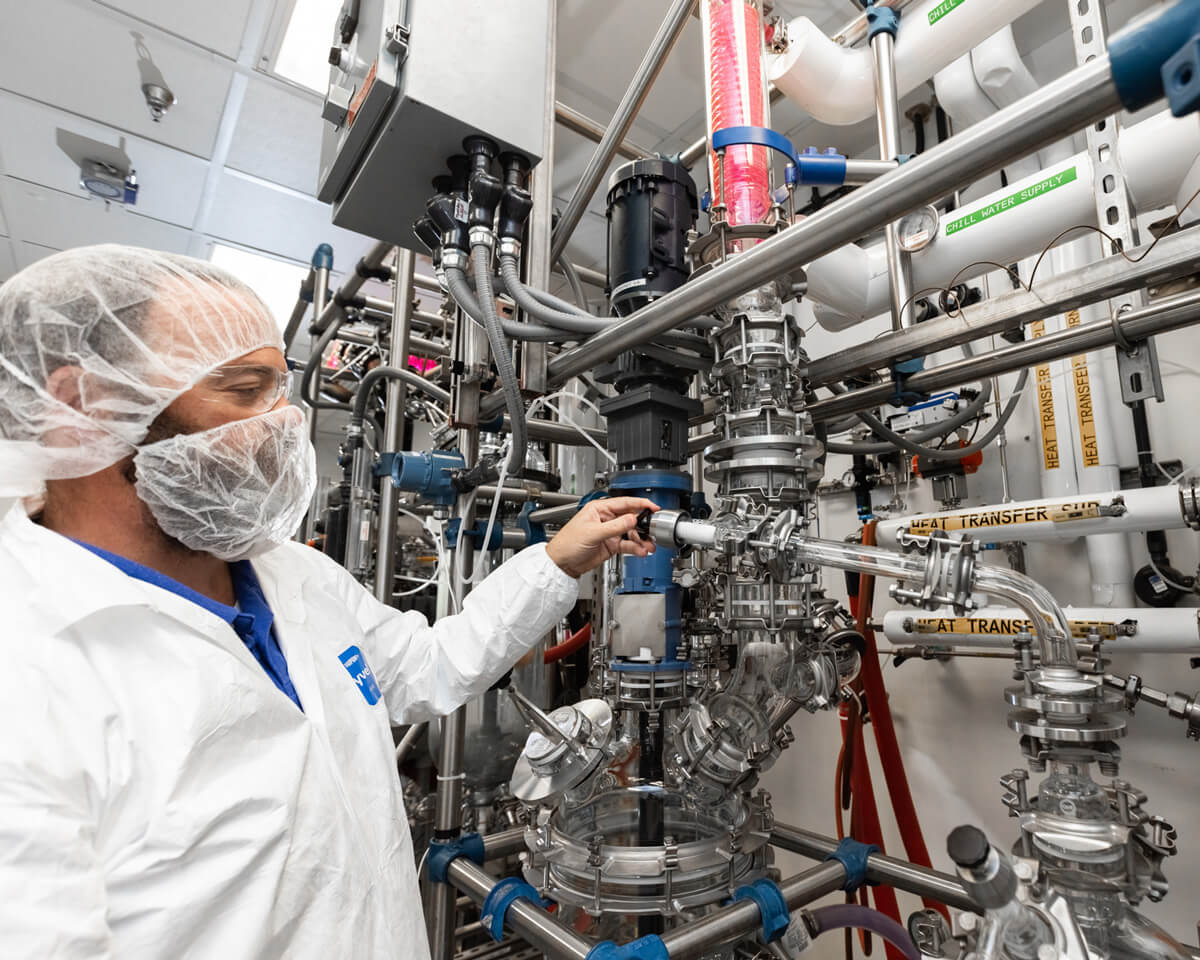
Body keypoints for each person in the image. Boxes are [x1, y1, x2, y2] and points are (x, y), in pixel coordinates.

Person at [0, 244, 657, 959]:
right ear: (81, 407)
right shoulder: (28, 668)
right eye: (245, 389)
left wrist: (559, 559)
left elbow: (429, 667)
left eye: (280, 390)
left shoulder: (288, 575)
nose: (284, 424)